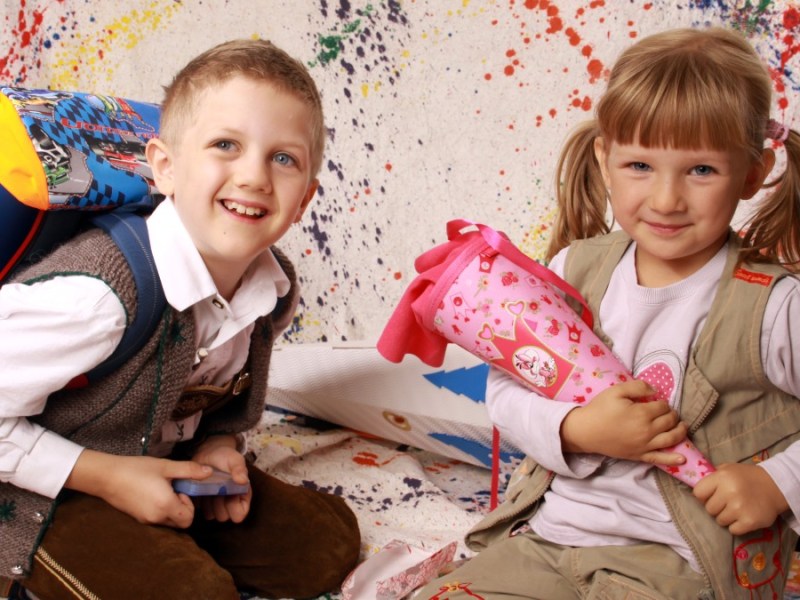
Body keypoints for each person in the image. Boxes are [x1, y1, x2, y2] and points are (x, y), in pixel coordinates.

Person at [416, 27, 800, 600]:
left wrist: (779, 482)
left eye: (701, 171)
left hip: (680, 561)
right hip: (551, 540)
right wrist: (575, 428)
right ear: (605, 156)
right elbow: (507, 385)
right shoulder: (578, 269)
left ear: (752, 172)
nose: (667, 198)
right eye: (640, 166)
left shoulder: (772, 307)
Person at [0, 39, 360, 599]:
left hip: (156, 459)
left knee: (326, 546)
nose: (255, 177)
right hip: (40, 488)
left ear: (305, 199)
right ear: (164, 167)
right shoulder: (95, 298)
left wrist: (219, 446)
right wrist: (107, 477)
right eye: (225, 145)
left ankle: (162, 533)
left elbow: (212, 391)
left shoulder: (272, 287)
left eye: (283, 158)